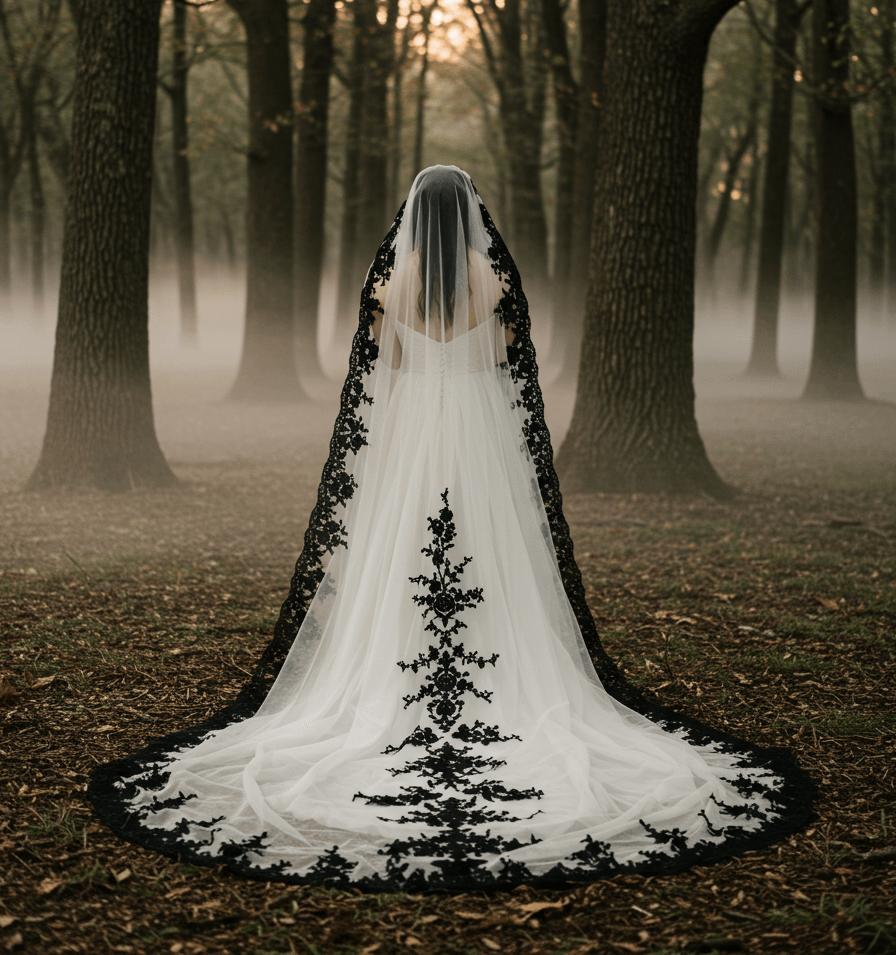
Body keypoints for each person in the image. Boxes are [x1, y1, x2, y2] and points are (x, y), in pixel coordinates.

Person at [89, 166, 812, 891]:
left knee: (400, 540)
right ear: (467, 211)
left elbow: (384, 363)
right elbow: (502, 357)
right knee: (490, 541)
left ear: (413, 212)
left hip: (411, 425)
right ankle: (501, 667)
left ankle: (394, 666)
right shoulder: (491, 276)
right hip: (476, 422)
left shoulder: (389, 280)